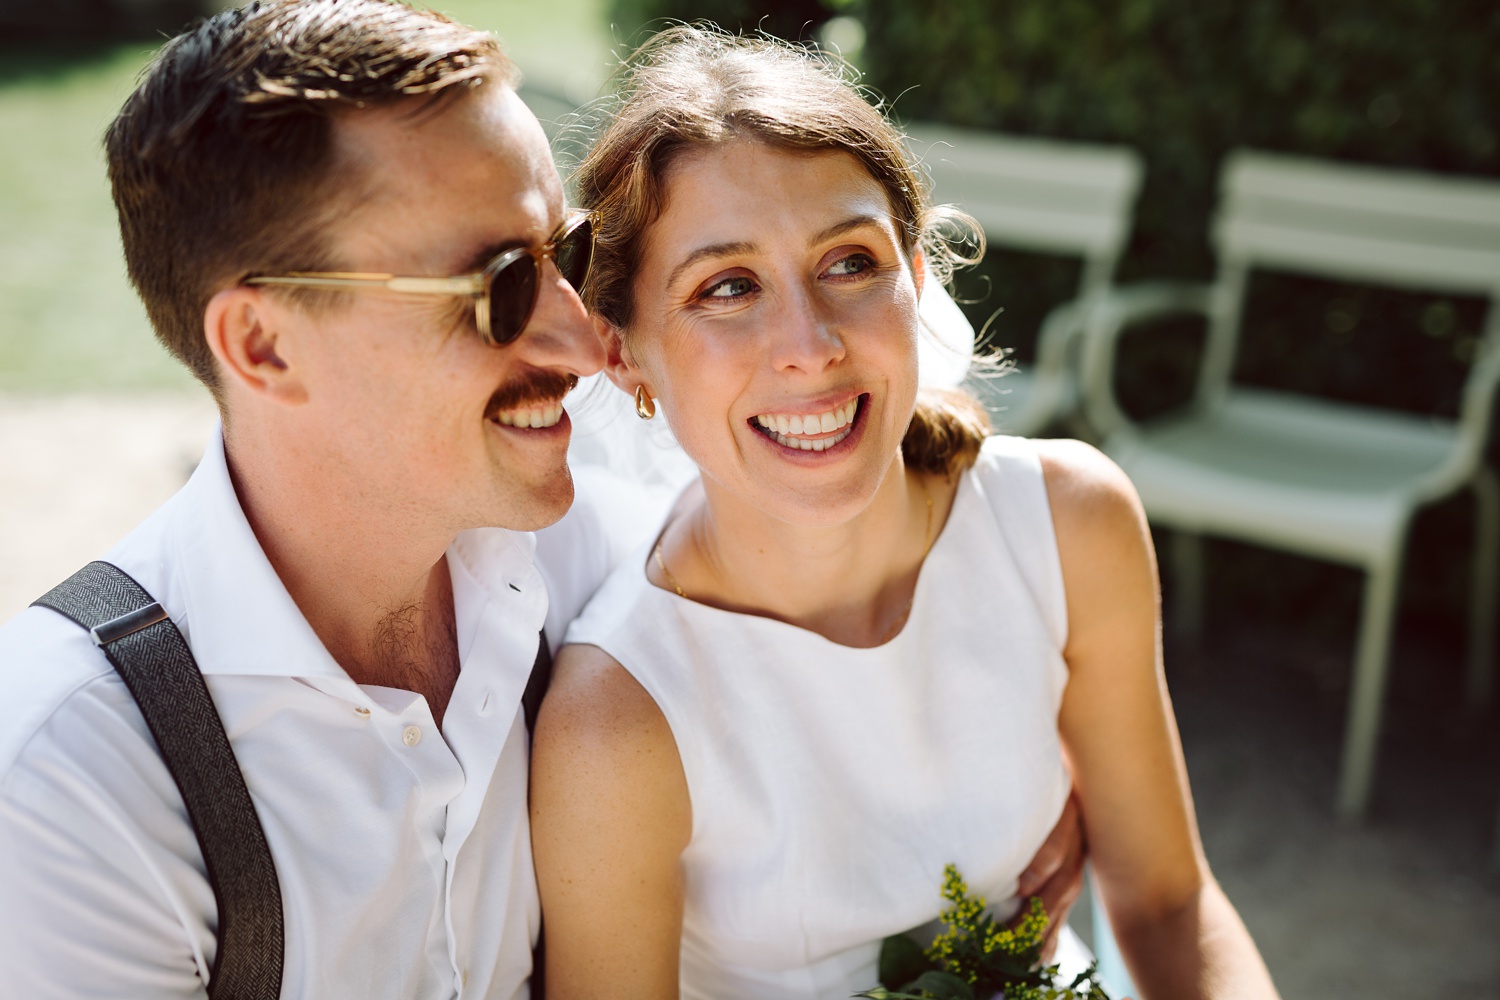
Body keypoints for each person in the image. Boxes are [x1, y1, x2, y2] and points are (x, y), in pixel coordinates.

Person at [0, 3, 1085, 997]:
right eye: (502, 287)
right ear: (264, 344)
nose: (583, 339)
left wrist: (981, 903)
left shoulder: (599, 550)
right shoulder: (72, 784)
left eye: (564, 255)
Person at [529, 26, 1282, 1000]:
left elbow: (1168, 904)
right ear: (624, 352)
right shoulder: (616, 721)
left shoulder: (1066, 525)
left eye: (849, 263)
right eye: (726, 286)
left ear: (916, 281)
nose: (809, 344)